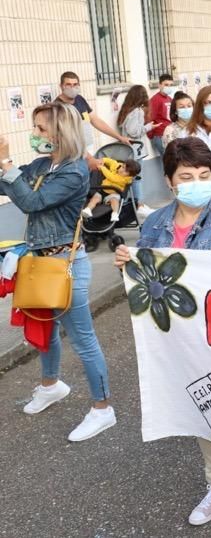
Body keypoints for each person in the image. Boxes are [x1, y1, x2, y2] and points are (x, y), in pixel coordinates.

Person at [113, 137, 211, 536]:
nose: (197, 182)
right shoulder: (155, 224)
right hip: (178, 342)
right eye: (187, 176)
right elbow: (144, 279)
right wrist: (125, 265)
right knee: (202, 413)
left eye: (204, 175)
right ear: (169, 181)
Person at [0, 103, 115, 441]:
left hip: (65, 265)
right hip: (39, 262)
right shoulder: (41, 165)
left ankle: (103, 408)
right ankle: (51, 385)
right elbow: (10, 186)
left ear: (59, 132)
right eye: (35, 128)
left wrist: (6, 164)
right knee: (45, 328)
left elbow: (32, 202)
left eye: (40, 129)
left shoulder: (74, 171)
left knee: (83, 340)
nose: (34, 135)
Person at [55, 71, 130, 163]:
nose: (72, 88)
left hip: (88, 149)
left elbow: (95, 120)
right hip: (73, 155)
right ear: (61, 86)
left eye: (75, 84)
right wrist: (89, 158)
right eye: (68, 85)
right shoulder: (58, 107)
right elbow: (66, 137)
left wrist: (119, 137)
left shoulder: (80, 99)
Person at [115, 84, 154, 215]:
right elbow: (134, 131)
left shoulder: (126, 110)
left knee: (129, 178)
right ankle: (140, 205)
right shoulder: (138, 111)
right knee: (137, 178)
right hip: (136, 149)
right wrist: (148, 127)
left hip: (128, 150)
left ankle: (132, 205)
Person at [82, 157, 140, 222]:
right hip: (102, 191)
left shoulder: (126, 179)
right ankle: (88, 209)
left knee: (114, 201)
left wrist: (102, 168)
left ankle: (115, 213)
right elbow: (111, 161)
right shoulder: (118, 166)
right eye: (123, 167)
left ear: (130, 175)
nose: (122, 170)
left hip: (114, 193)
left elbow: (111, 177)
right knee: (94, 199)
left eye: (125, 171)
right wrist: (103, 160)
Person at [147, 74, 175, 157]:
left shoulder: (170, 99)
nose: (168, 87)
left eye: (170, 85)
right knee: (169, 161)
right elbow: (149, 118)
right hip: (160, 135)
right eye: (166, 85)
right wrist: (152, 135)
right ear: (159, 85)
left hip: (170, 134)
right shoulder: (155, 100)